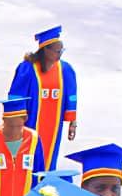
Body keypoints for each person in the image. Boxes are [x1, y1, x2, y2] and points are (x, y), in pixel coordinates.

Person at [8, 25, 77, 171]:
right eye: (57, 51)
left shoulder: (65, 70)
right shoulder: (27, 69)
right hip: (29, 125)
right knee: (27, 160)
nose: (60, 54)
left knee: (49, 159)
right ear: (45, 49)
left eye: (61, 50)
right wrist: (15, 124)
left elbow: (71, 96)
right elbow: (16, 97)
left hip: (53, 127)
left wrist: (72, 122)